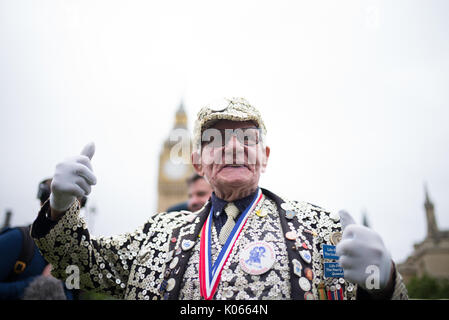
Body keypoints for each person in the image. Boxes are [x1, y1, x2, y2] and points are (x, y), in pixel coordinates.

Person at [30, 97, 408, 300]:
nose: (231, 148)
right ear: (196, 160)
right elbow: (79, 264)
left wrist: (385, 283)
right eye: (215, 139)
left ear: (265, 156)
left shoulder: (321, 230)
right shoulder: (156, 234)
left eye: (247, 138)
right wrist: (60, 207)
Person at [0, 178, 74, 299]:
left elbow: (71, 295)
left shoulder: (70, 256)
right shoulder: (17, 240)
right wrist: (42, 283)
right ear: (42, 203)